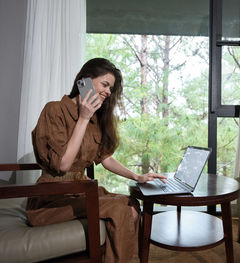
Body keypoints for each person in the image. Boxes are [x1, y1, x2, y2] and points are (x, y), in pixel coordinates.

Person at [26, 57, 166, 263]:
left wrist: (137, 176)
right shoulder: (54, 110)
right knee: (120, 209)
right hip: (51, 198)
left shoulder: (95, 120)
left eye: (111, 88)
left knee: (132, 205)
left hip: (81, 191)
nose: (108, 92)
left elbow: (105, 158)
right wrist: (83, 118)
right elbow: (63, 164)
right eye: (105, 84)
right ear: (84, 81)